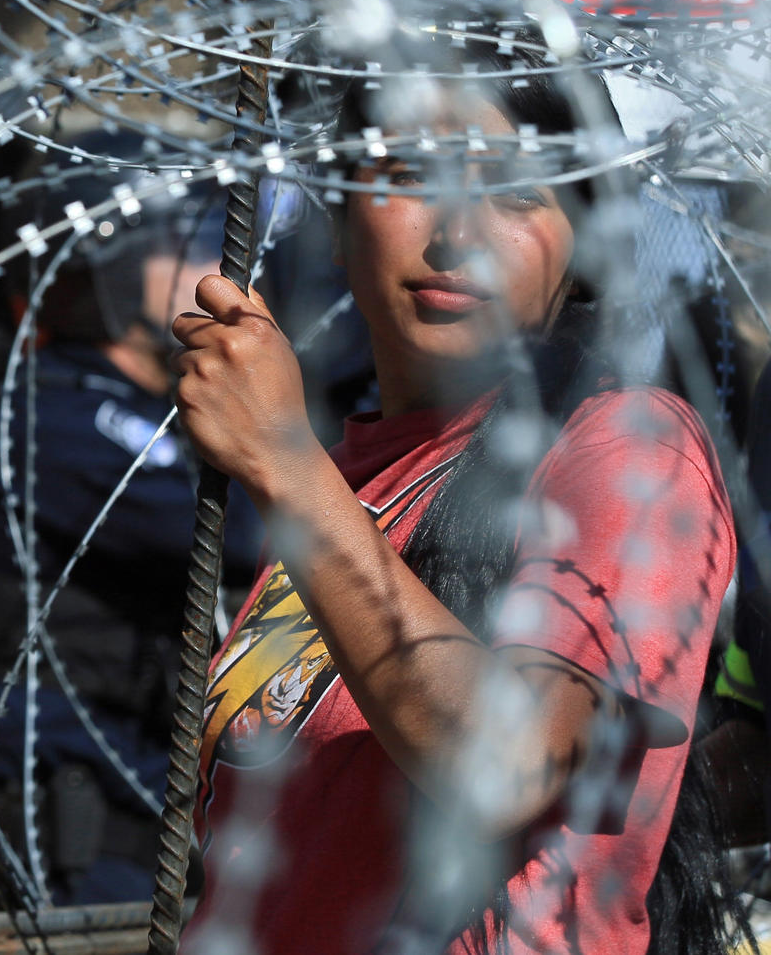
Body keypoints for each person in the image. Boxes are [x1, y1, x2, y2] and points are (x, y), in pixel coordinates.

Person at [172, 49, 740, 954]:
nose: (457, 232)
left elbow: (511, 763)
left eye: (519, 192)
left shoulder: (627, 450)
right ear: (339, 208)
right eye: (409, 173)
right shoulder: (360, 480)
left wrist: (286, 466)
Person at [0, 135, 259, 907]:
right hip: (58, 842)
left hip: (124, 817)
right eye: (188, 246)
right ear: (104, 269)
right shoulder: (56, 416)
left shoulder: (143, 411)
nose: (216, 269)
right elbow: (255, 532)